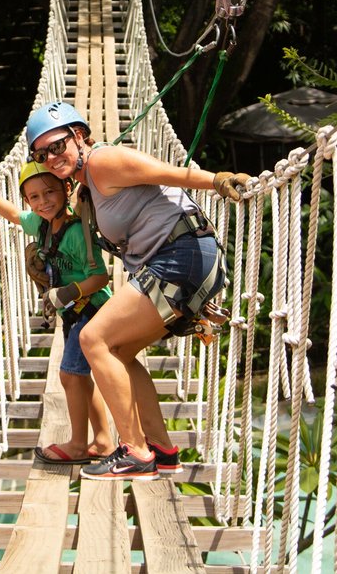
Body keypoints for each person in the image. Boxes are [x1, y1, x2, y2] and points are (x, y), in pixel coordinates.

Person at [23, 101, 251, 480]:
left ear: (79, 137)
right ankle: (161, 449)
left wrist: (216, 180)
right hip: (181, 260)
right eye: (41, 154)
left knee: (93, 339)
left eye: (58, 145)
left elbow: (166, 172)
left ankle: (134, 452)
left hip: (182, 255)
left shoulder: (102, 162)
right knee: (121, 352)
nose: (51, 157)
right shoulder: (87, 187)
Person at [0, 161, 114, 464]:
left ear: (66, 189)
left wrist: (70, 291)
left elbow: (101, 278)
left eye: (49, 193)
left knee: (70, 375)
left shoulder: (76, 232)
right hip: (72, 311)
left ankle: (77, 445)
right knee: (82, 378)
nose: (43, 201)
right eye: (34, 197)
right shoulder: (42, 224)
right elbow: (16, 216)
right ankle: (103, 441)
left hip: (91, 309)